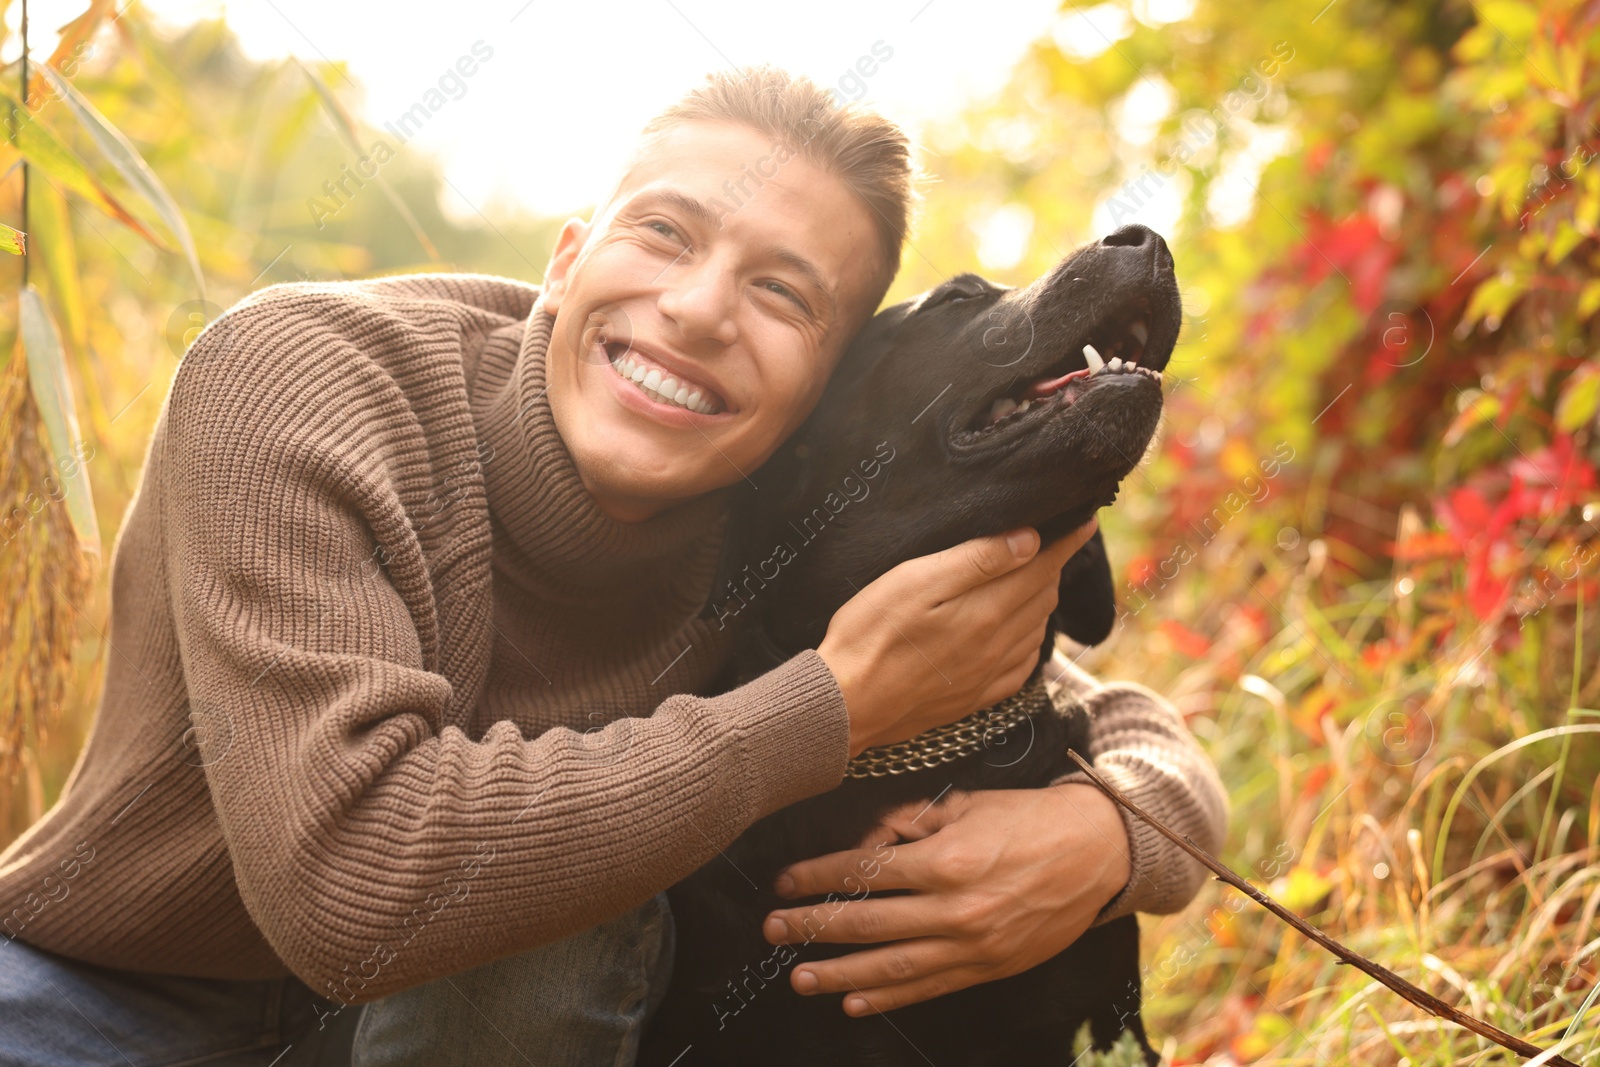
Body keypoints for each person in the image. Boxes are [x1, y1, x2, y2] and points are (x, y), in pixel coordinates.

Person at [0, 67, 1228, 1066]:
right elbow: (351, 883)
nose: (697, 309)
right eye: (664, 232)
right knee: (529, 887)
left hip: (471, 1025)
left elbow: (1082, 696)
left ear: (822, 389)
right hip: (117, 997)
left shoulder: (773, 494)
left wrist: (1116, 831)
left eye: (782, 294)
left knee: (550, 923)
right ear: (565, 254)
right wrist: (829, 705)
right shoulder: (303, 382)